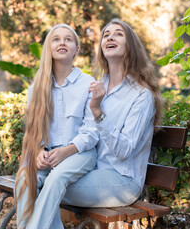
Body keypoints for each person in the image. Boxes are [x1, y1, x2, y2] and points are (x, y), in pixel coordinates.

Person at [51, 18, 163, 228]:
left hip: (122, 180)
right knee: (41, 179)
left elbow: (124, 151)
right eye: (106, 34)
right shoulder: (97, 85)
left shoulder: (141, 95)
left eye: (119, 34)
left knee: (48, 184)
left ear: (131, 46)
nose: (110, 37)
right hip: (91, 171)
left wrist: (98, 111)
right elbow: (84, 132)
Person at [14, 24, 99, 229]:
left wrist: (66, 152)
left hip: (80, 153)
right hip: (48, 156)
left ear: (76, 49)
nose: (62, 42)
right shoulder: (37, 87)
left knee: (56, 177)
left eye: (68, 39)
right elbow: (34, 131)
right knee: (24, 180)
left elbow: (91, 132)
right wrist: (39, 152)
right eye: (56, 39)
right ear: (48, 48)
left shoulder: (87, 83)